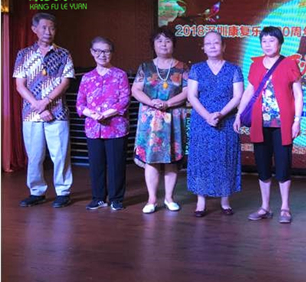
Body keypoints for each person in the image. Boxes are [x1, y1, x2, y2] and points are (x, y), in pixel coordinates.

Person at [233, 26, 303, 224]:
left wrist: (297, 120)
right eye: (264, 41)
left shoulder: (289, 64)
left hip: (283, 125)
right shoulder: (255, 65)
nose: (267, 44)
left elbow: (298, 94)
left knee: (283, 166)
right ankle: (265, 207)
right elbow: (249, 91)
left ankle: (285, 208)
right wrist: (238, 114)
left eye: (272, 40)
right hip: (259, 124)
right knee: (263, 166)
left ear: (280, 43)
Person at [14, 13, 74, 208]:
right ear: (34, 29)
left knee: (60, 154)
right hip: (31, 113)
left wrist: (46, 102)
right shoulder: (23, 54)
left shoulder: (63, 54)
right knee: (35, 155)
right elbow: (20, 85)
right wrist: (38, 106)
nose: (48, 32)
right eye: (44, 27)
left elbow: (65, 82)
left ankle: (63, 192)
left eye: (52, 28)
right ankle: (36, 192)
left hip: (58, 112)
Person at [132, 28, 189, 214]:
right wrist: (152, 102)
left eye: (168, 41)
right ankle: (152, 199)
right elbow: (136, 90)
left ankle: (169, 198)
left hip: (174, 116)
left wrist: (168, 103)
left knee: (171, 158)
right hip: (150, 118)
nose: (164, 44)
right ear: (153, 45)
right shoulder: (145, 67)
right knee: (151, 159)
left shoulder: (182, 67)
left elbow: (188, 91)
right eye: (159, 41)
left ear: (173, 44)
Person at [187, 32, 244, 217]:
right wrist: (207, 116)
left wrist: (221, 114)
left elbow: (238, 96)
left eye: (216, 43)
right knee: (201, 159)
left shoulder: (234, 69)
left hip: (226, 120)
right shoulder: (196, 69)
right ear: (203, 48)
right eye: (208, 43)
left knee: (225, 159)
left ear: (223, 46)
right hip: (201, 121)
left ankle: (225, 201)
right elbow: (191, 96)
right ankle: (201, 202)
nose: (212, 46)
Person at [76, 37, 130, 211]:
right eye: (98, 51)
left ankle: (116, 199)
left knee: (116, 164)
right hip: (93, 128)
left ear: (112, 53)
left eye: (106, 51)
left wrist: (105, 114)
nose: (102, 55)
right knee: (96, 165)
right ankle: (98, 198)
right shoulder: (86, 77)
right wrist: (93, 115)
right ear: (92, 52)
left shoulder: (120, 75)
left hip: (115, 127)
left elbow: (124, 100)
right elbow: (80, 104)